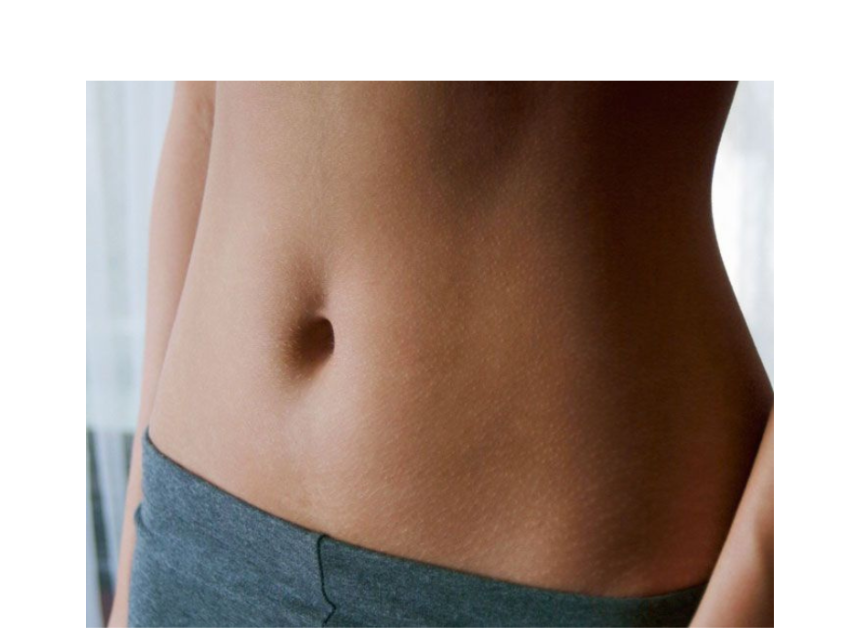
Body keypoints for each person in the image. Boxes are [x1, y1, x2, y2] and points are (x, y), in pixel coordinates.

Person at [108, 81, 774, 627]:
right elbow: (205, 103)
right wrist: (141, 536)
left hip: (545, 589)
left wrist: (759, 580)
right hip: (197, 535)